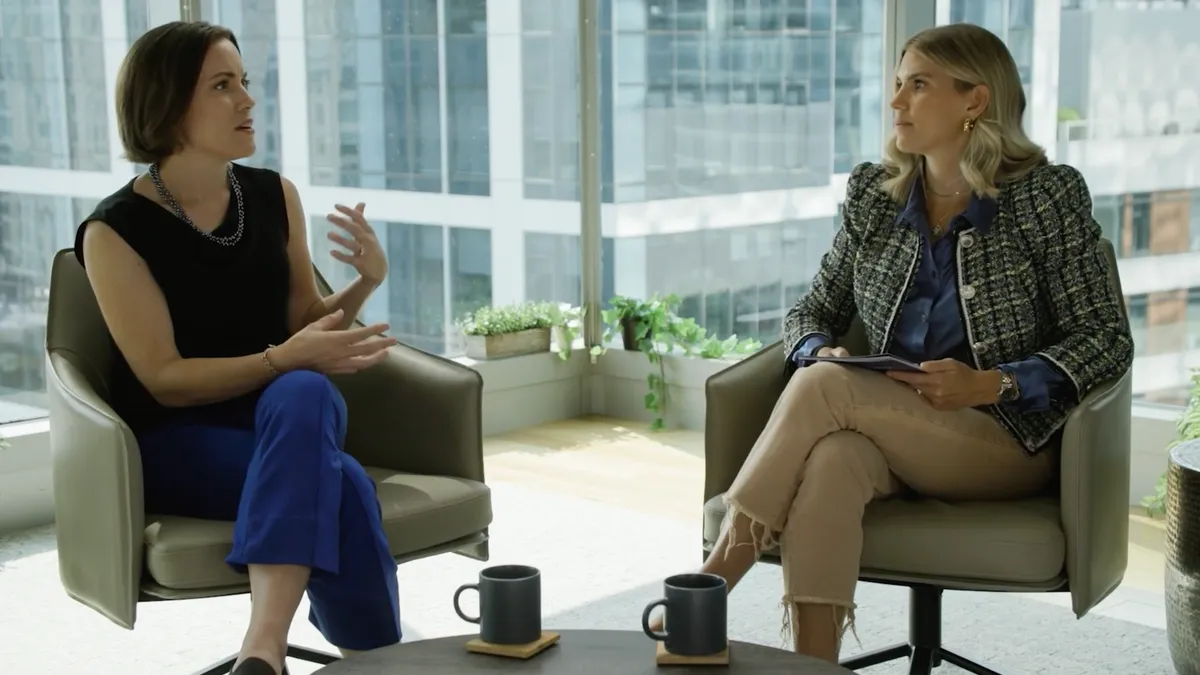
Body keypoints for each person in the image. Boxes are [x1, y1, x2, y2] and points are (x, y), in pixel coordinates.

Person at [658, 23, 1134, 664]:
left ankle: (710, 587)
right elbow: (810, 311)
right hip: (889, 430)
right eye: (896, 86)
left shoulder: (1044, 197)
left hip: (1002, 438)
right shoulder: (875, 196)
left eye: (917, 85)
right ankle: (814, 665)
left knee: (827, 390)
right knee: (832, 459)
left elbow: (1106, 338)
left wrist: (993, 383)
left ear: (974, 101)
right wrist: (817, 349)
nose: (896, 103)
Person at [77, 22, 403, 675]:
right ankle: (379, 664)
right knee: (338, 480)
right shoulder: (114, 233)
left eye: (244, 83)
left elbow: (303, 322)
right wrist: (282, 360)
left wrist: (367, 280)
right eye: (223, 86)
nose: (248, 101)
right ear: (167, 106)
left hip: (286, 415)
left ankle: (263, 650)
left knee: (306, 393)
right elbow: (164, 379)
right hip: (178, 438)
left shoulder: (274, 196)